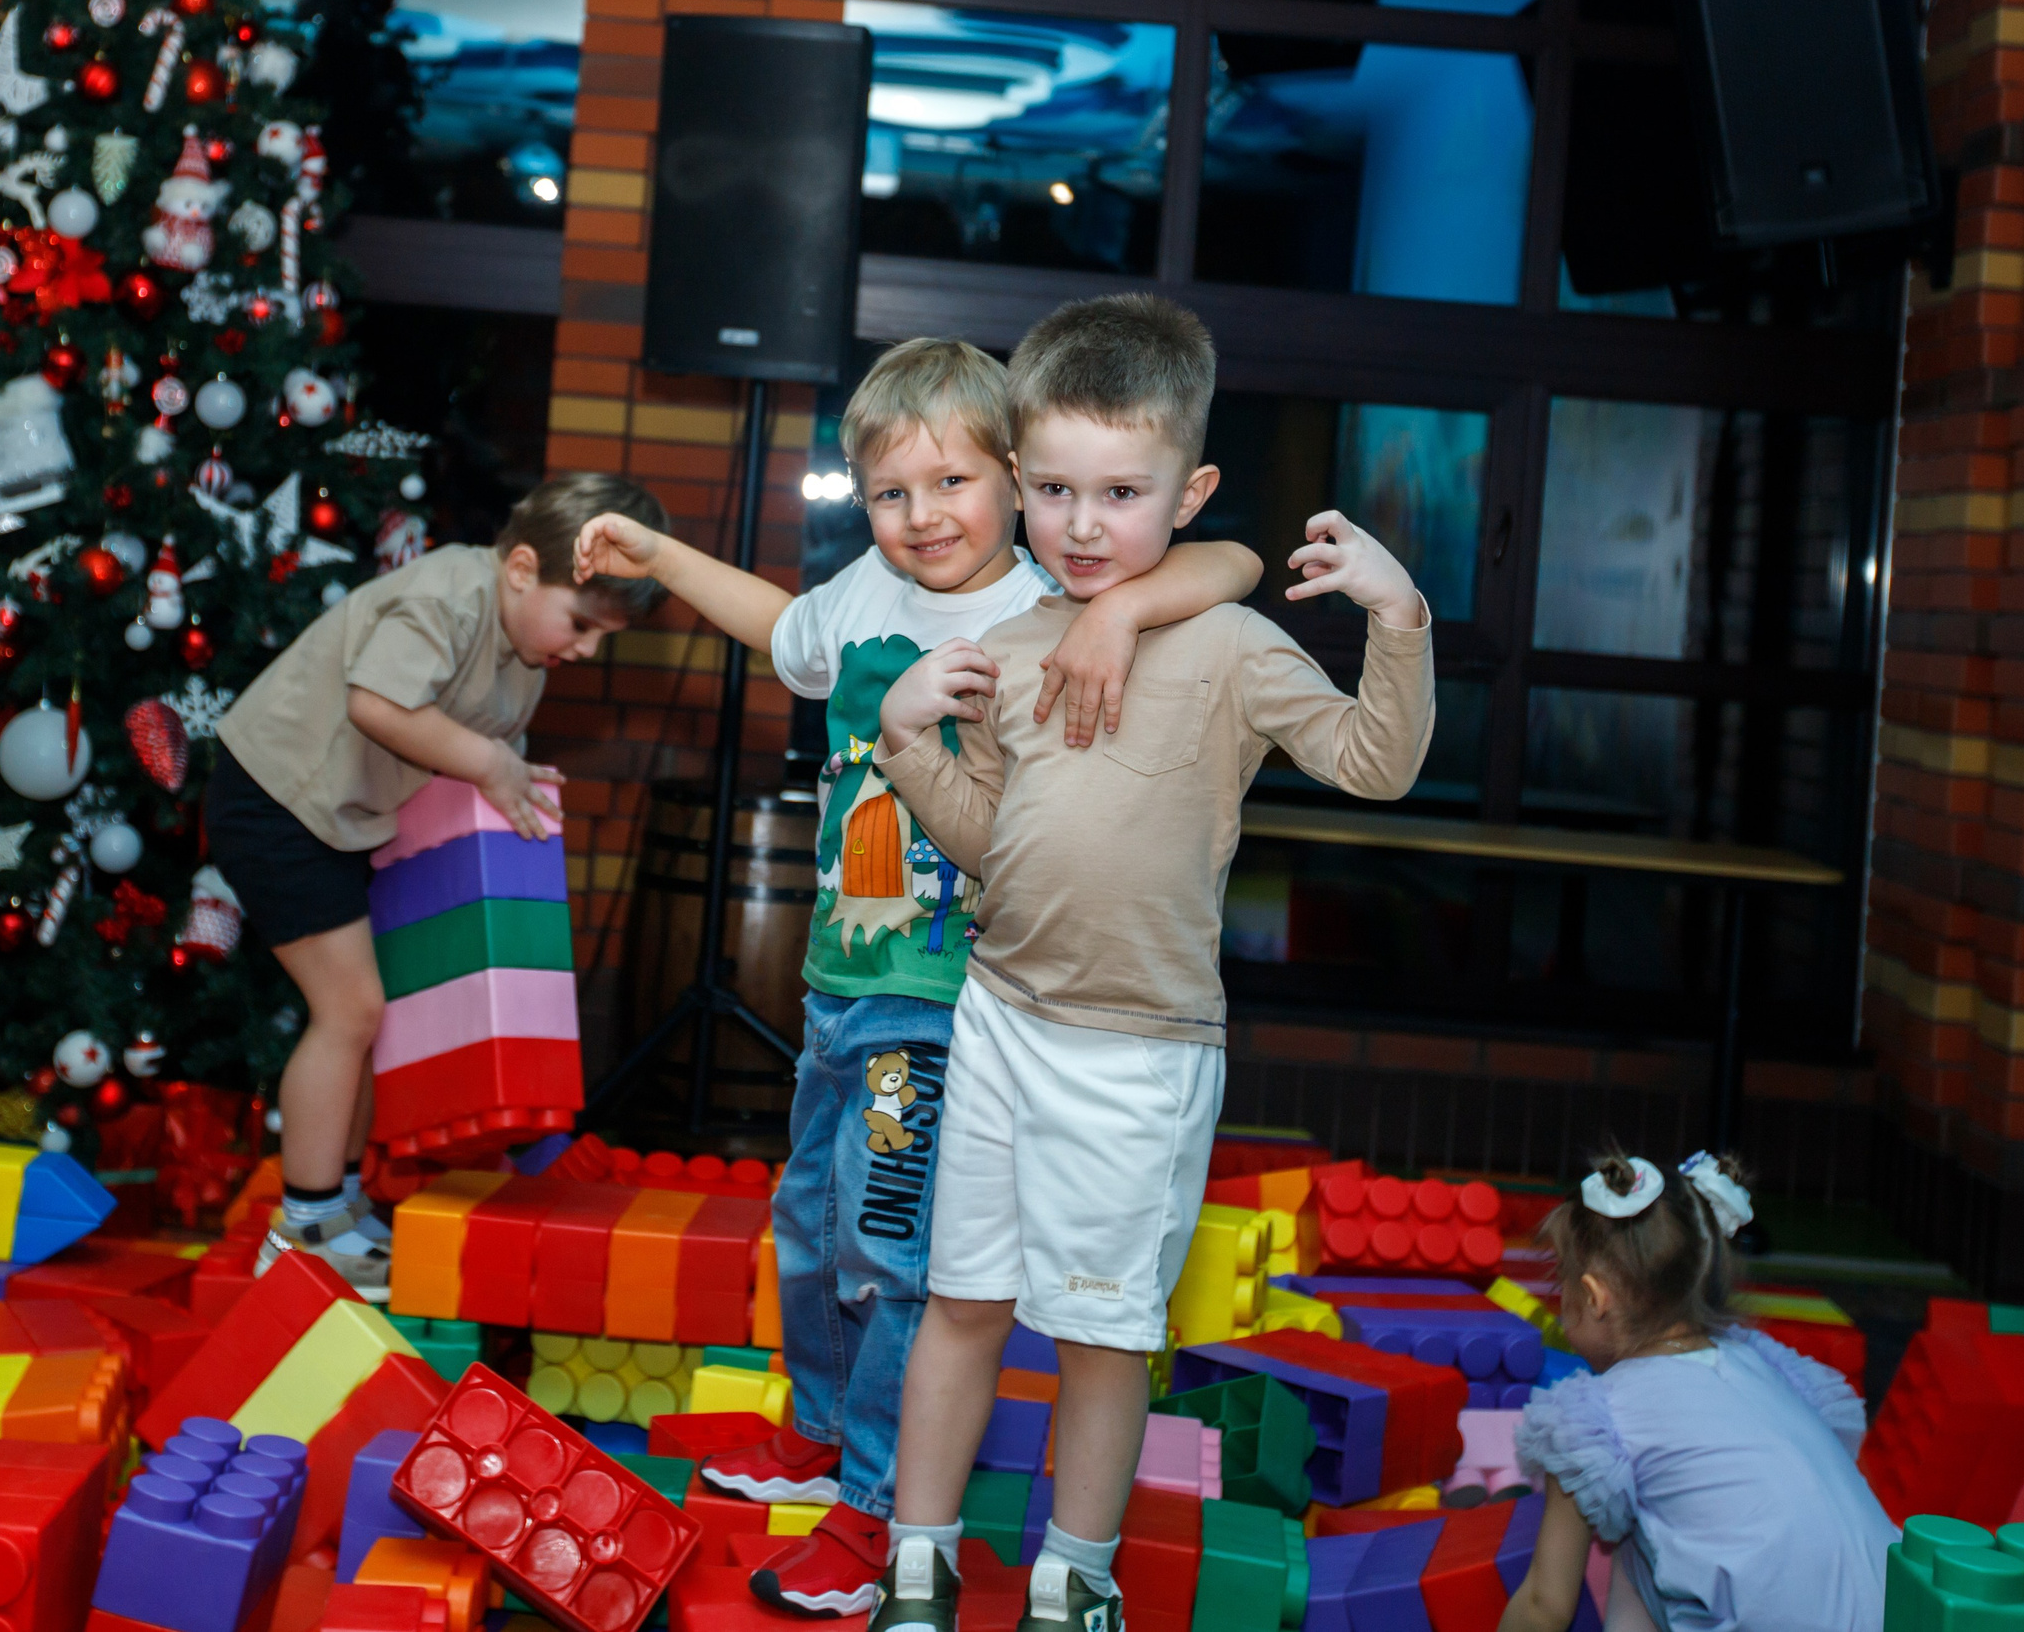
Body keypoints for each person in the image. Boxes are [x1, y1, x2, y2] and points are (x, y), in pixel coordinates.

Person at [573, 337, 1264, 1617]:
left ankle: (883, 1506)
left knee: (894, 1252)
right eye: (890, 494)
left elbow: (1227, 561)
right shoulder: (858, 602)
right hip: (840, 985)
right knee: (810, 1225)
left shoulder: (1042, 605)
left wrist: (1115, 607)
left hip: (947, 1005)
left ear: (1015, 479)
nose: (920, 516)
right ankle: (827, 1431)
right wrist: (656, 555)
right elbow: (773, 626)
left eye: (951, 484)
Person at [863, 293, 1436, 1631]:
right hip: (1002, 1019)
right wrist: (906, 749)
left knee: (1104, 1331)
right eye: (1052, 488)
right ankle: (917, 1557)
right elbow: (994, 851)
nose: (1078, 524)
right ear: (1016, 482)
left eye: (1120, 492)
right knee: (962, 1301)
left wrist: (1396, 617)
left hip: (1142, 1048)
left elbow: (1376, 761)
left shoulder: (1230, 644)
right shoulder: (1005, 651)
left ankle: (1076, 1574)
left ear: (1190, 492)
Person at [209, 473, 670, 1298]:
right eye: (582, 624)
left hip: (344, 815)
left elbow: (475, 761)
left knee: (368, 1012)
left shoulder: (525, 651)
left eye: (606, 636)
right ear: (523, 567)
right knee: (348, 1009)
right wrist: (494, 763)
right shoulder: (450, 596)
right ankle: (300, 1227)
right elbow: (378, 703)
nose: (587, 650)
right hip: (279, 795)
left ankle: (339, 1205)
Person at [1500, 1151, 1894, 1632]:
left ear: (1595, 1298)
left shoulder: (1596, 1418)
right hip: (1899, 1614)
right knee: (1647, 1524)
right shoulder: (1764, 1369)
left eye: (1559, 1282)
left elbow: (1544, 1604)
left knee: (1630, 1512)